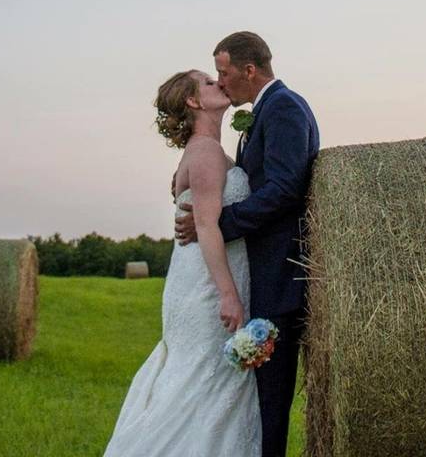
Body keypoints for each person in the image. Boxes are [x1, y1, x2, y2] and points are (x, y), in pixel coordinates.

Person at [175, 31, 320, 457]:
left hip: (278, 277)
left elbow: (284, 189)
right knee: (257, 403)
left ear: (249, 70)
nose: (221, 83)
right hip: (261, 274)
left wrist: (220, 223)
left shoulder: (285, 109)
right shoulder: (267, 111)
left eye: (224, 73)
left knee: (270, 406)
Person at [104, 69, 261, 457]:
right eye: (209, 83)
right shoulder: (205, 151)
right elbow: (206, 226)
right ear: (193, 102)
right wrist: (228, 295)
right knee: (204, 382)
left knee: (203, 380)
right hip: (208, 290)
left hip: (197, 280)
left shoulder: (205, 150)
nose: (219, 84)